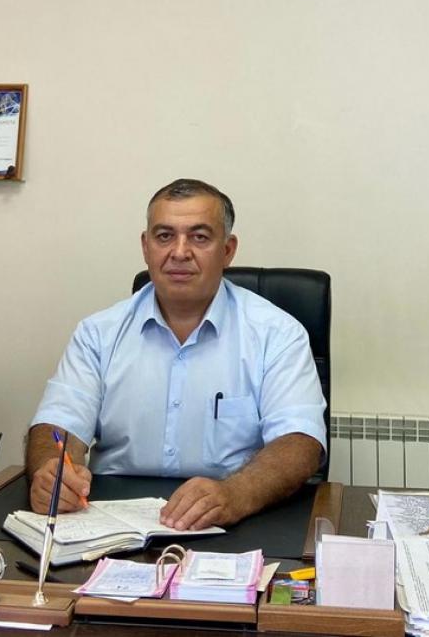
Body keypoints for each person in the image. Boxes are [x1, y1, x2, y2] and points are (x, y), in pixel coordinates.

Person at [26, 179, 326, 530]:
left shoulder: (277, 333)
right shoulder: (98, 333)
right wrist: (52, 472)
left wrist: (235, 494)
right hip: (110, 524)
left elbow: (300, 442)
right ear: (146, 246)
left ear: (227, 250)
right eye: (165, 236)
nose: (180, 252)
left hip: (235, 520)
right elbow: (56, 424)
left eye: (199, 237)